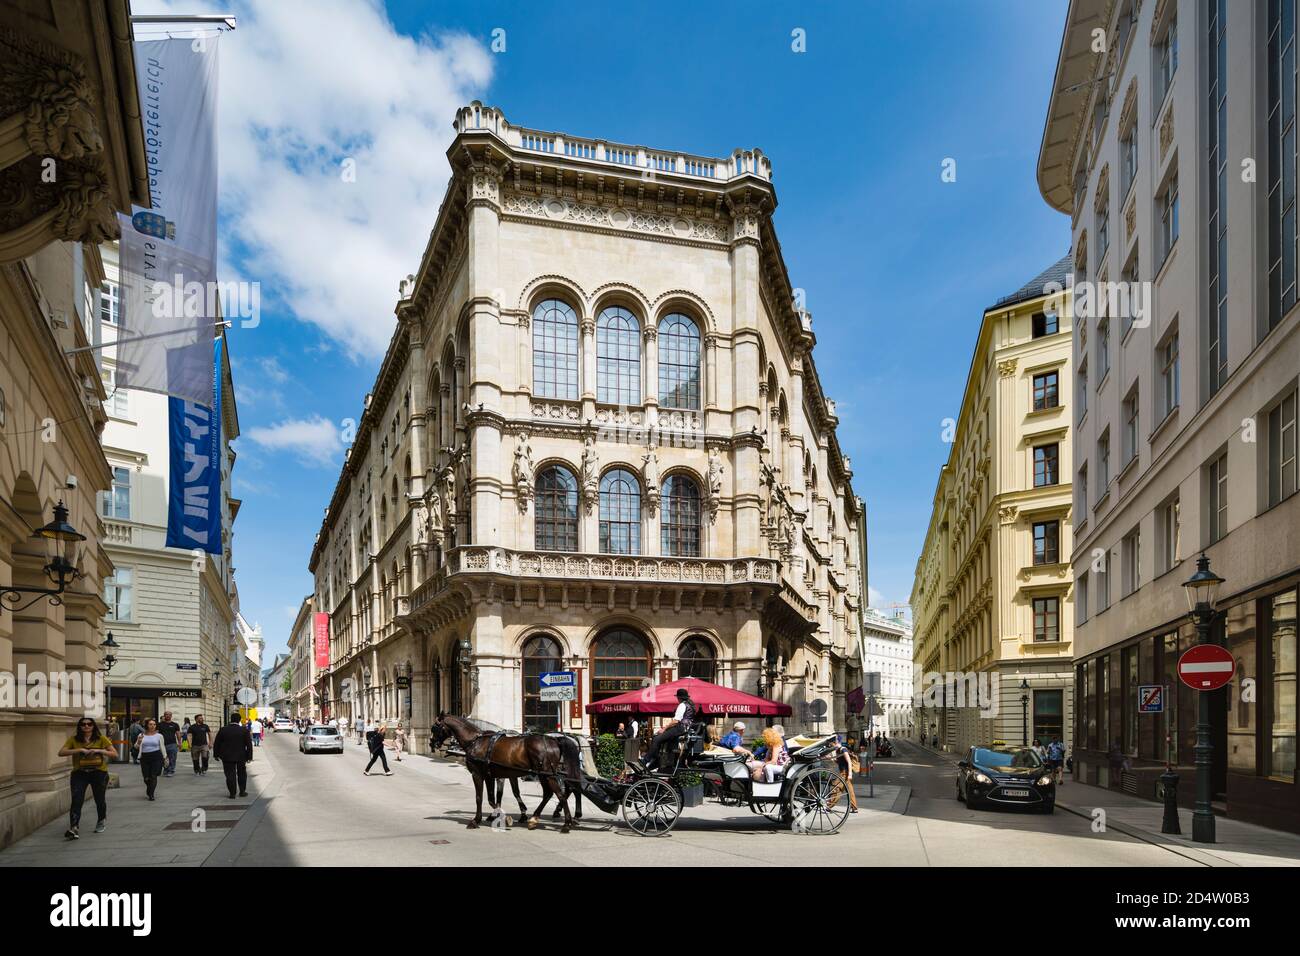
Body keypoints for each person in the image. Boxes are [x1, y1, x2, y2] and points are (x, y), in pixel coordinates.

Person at [58, 718, 115, 838]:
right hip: (80, 773)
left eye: (89, 724)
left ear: (93, 726)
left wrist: (98, 750)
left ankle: (101, 821)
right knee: (77, 799)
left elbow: (114, 753)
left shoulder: (101, 739)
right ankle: (74, 827)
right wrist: (80, 750)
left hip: (99, 772)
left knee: (99, 799)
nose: (86, 726)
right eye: (83, 724)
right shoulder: (74, 739)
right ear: (80, 727)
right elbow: (61, 752)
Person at [642, 688, 696, 770]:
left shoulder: (682, 705)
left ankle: (647, 760)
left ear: (679, 698)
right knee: (665, 742)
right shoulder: (690, 705)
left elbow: (676, 721)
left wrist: (664, 729)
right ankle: (661, 761)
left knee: (656, 739)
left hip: (680, 728)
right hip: (684, 729)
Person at [213, 714, 254, 798]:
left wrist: (216, 754)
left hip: (227, 756)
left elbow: (217, 743)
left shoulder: (223, 730)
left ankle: (232, 793)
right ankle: (242, 791)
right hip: (241, 756)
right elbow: (249, 745)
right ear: (239, 720)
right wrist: (249, 756)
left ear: (230, 720)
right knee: (242, 774)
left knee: (230, 775)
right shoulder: (244, 730)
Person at [133, 718, 165, 800]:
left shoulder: (159, 736)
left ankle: (151, 794)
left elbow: (162, 747)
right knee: (146, 778)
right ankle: (149, 788)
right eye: (150, 724)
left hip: (156, 756)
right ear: (147, 725)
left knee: (153, 776)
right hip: (145, 757)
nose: (152, 726)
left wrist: (165, 757)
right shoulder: (141, 735)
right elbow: (136, 747)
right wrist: (139, 741)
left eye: (154, 724)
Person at [827, 735, 860, 813]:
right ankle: (854, 808)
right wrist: (831, 759)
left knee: (836, 788)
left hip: (845, 773)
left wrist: (850, 774)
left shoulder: (843, 749)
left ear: (836, 742)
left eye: (832, 743)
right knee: (850, 790)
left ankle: (829, 806)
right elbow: (839, 762)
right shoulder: (838, 750)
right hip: (843, 773)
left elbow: (848, 761)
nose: (831, 745)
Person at [157, 711, 182, 777]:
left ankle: (171, 771)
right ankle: (165, 769)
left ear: (171, 716)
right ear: (164, 716)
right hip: (162, 745)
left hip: (172, 744)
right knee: (163, 758)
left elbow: (178, 734)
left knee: (172, 758)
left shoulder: (175, 724)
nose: (168, 716)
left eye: (169, 715)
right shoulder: (159, 724)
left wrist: (180, 743)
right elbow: (156, 734)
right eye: (166, 714)